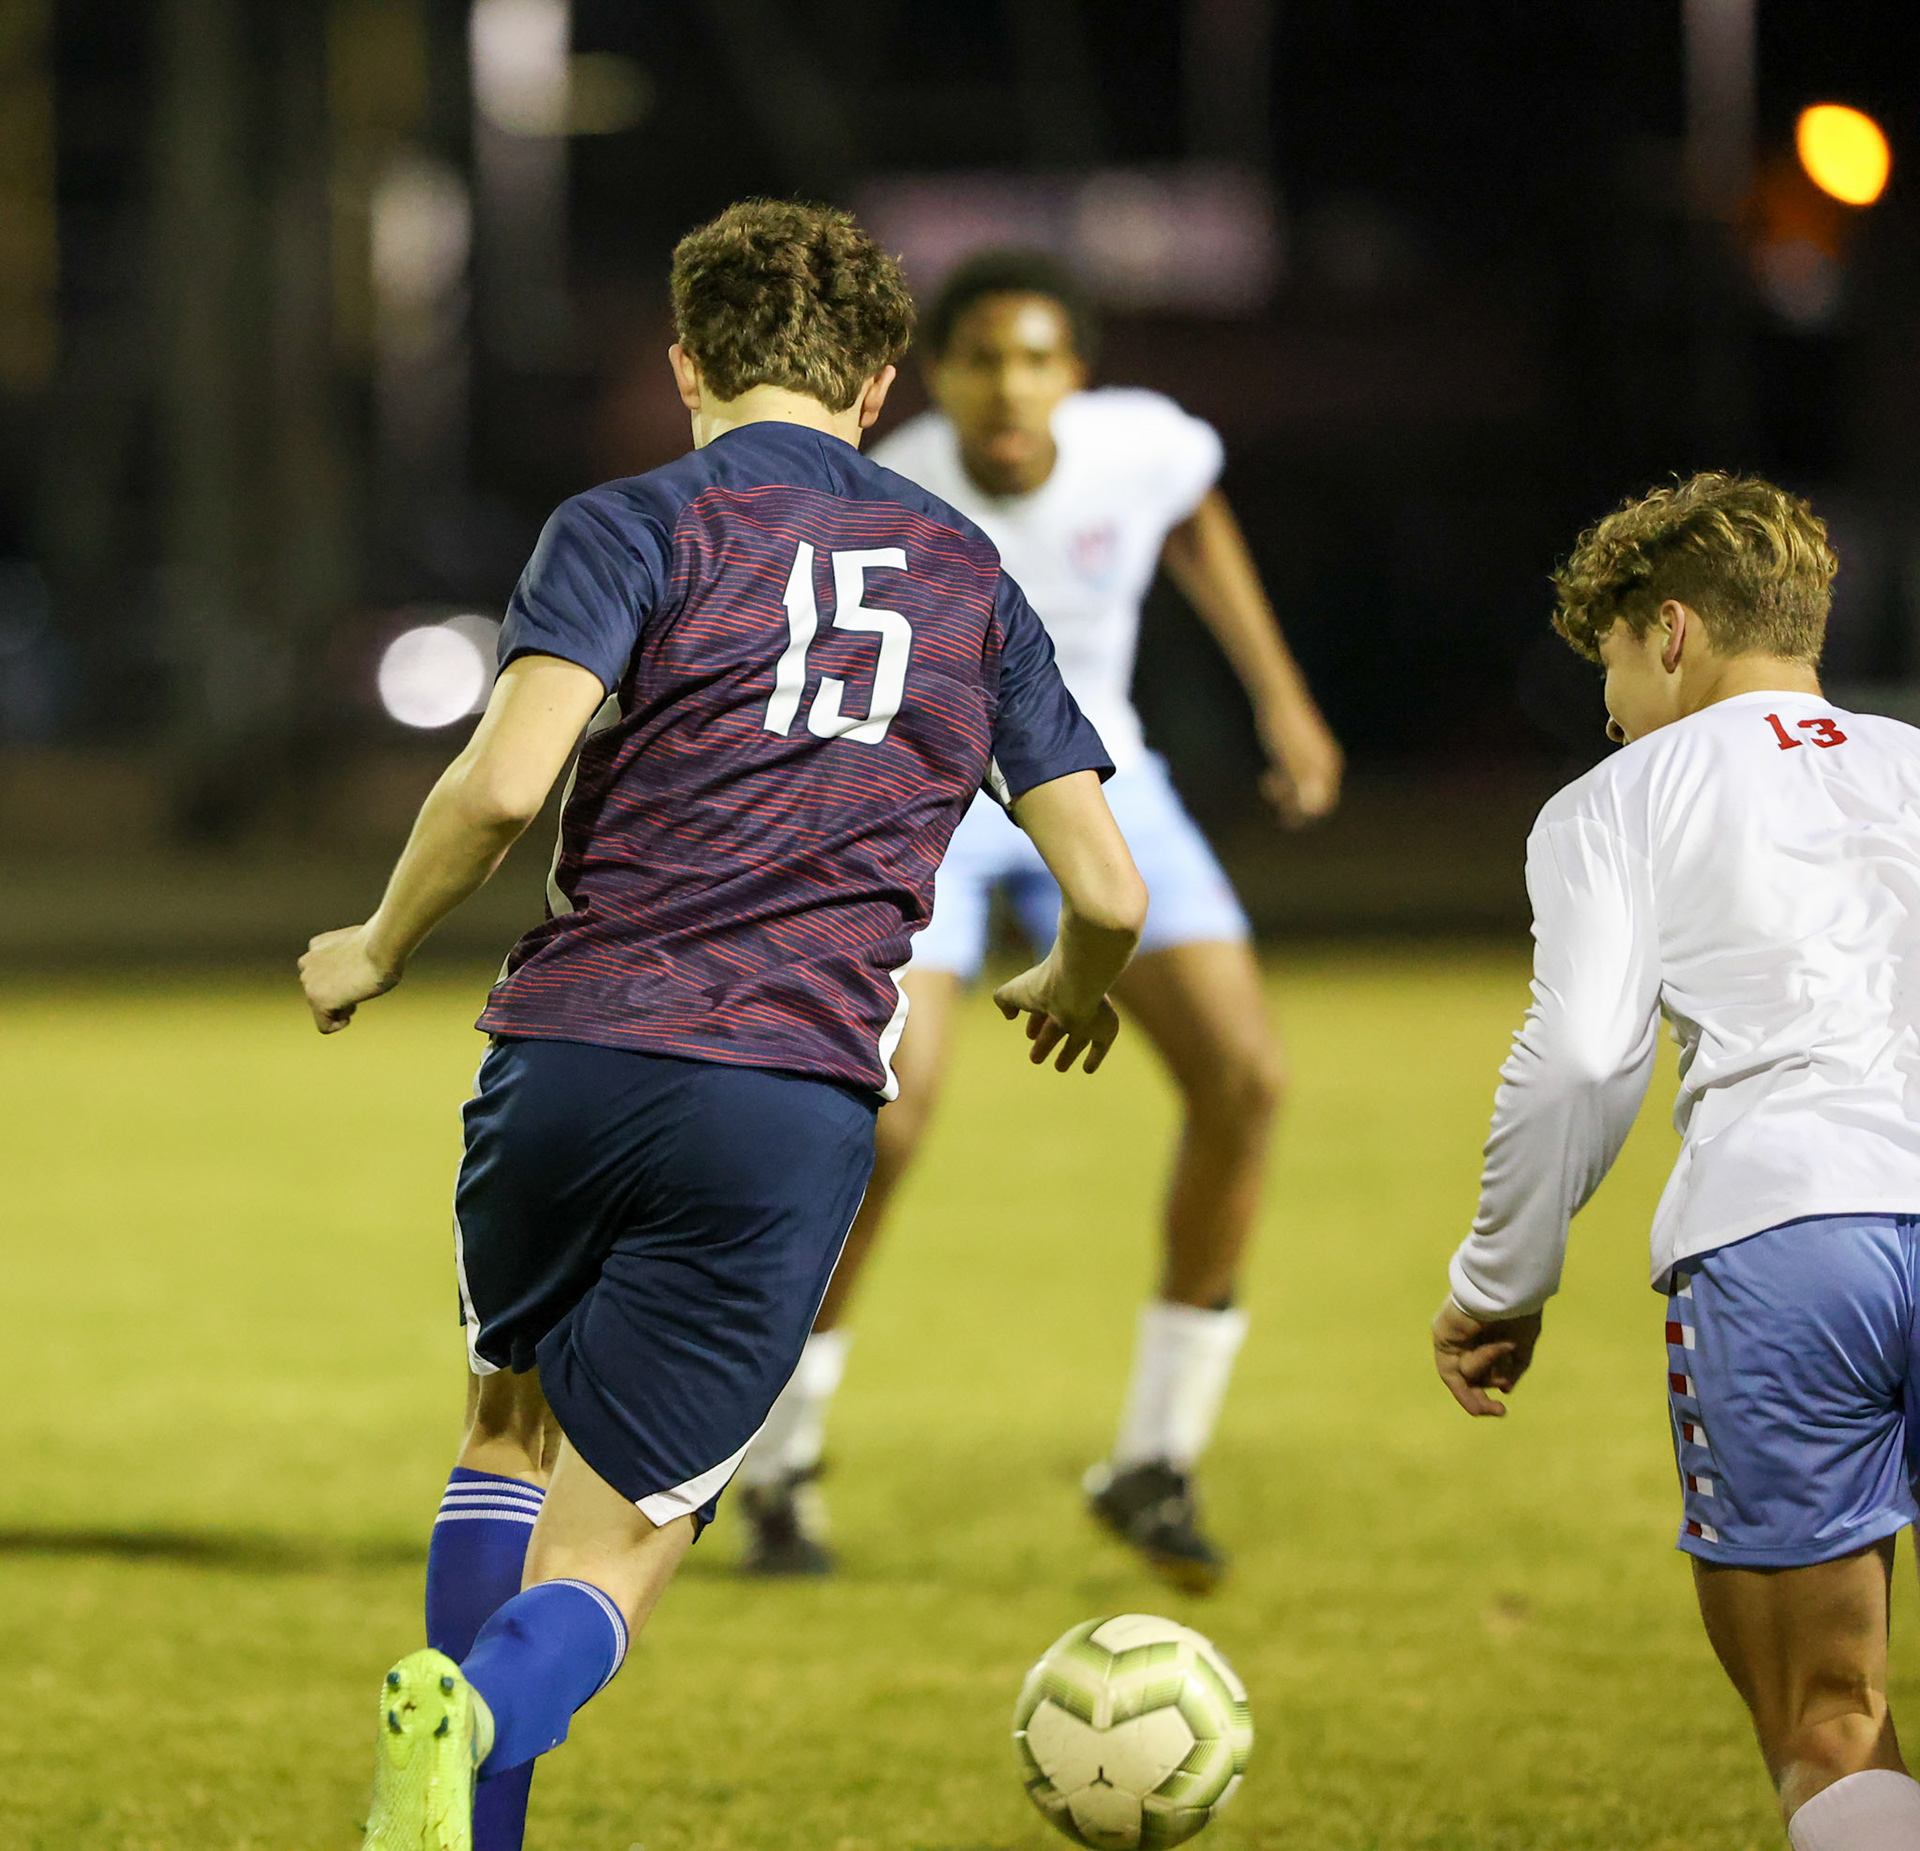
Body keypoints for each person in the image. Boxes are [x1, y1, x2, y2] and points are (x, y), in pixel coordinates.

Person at [298, 200, 1146, 1851]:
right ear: (885, 378)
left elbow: (504, 781)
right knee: (627, 1543)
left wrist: (379, 942)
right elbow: (1105, 892)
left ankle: (464, 1815)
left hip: (569, 1056)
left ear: (684, 359)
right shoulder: (968, 572)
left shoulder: (630, 522)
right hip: (786, 1094)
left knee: (505, 1420)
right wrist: (1069, 987)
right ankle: (475, 1712)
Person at [732, 250, 1343, 1592]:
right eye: (980, 360)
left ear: (1075, 371)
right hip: (924, 802)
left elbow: (1191, 516)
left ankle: (1155, 1459)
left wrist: (1278, 696)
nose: (1010, 386)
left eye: (1036, 358)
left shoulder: (1142, 445)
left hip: (1098, 783)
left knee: (1245, 1078)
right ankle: (778, 1462)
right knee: (881, 1127)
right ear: (938, 378)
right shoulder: (889, 494)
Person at [1432, 473, 1920, 1851]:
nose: (1607, 710)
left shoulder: (1620, 797)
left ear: (1671, 632)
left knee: (1831, 1717)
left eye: (1609, 670)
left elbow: (1586, 1058)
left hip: (1786, 1238)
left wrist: (1501, 1280)